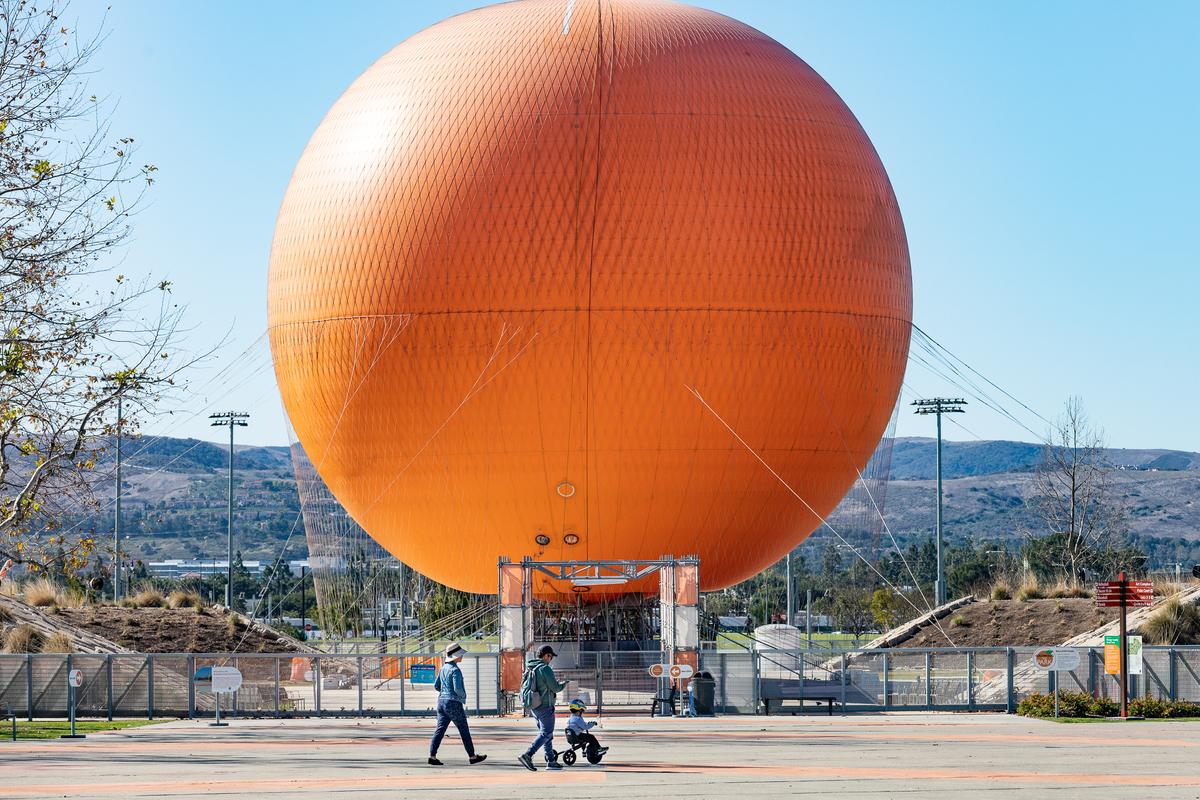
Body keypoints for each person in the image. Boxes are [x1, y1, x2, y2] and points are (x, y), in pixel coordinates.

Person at [428, 642, 487, 766]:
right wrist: (463, 697)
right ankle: (472, 756)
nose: (462, 656)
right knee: (463, 729)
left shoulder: (443, 668)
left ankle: (432, 756)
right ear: (455, 656)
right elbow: (458, 689)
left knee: (440, 730)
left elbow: (436, 686)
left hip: (441, 702)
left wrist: (444, 692)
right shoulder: (455, 670)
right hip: (453, 702)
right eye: (460, 654)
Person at [517, 644, 569, 772]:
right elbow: (555, 687)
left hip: (534, 706)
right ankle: (528, 755)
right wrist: (564, 684)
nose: (551, 659)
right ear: (546, 655)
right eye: (550, 657)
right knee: (546, 733)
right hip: (545, 706)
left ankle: (551, 760)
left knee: (546, 734)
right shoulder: (545, 669)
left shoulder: (530, 667)